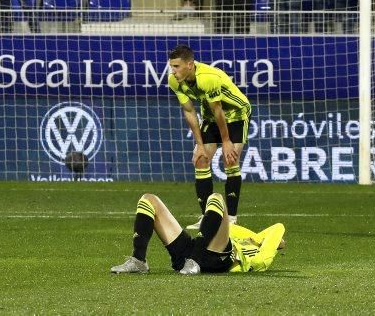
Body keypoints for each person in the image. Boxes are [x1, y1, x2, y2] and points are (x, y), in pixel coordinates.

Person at [167, 44, 251, 230]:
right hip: (211, 117)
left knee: (230, 160)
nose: (173, 71)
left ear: (189, 65)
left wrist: (226, 141)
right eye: (171, 66)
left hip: (237, 113)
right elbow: (189, 112)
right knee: (200, 160)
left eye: (177, 66)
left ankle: (231, 219)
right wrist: (200, 145)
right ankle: (208, 218)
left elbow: (218, 109)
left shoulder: (208, 78)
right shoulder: (174, 81)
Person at [110, 192, 285, 274]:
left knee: (216, 197)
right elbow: (232, 229)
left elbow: (278, 229)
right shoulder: (251, 238)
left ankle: (194, 261)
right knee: (148, 199)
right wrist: (255, 237)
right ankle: (138, 260)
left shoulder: (264, 255)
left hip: (221, 258)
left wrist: (267, 241)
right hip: (194, 251)